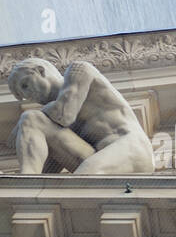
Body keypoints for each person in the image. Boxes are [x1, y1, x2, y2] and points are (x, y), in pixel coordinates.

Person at [7, 58, 154, 175]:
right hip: (95, 156)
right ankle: (28, 181)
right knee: (31, 120)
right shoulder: (49, 117)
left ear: (40, 71)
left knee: (82, 182)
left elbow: (64, 114)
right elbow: (51, 165)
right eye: (22, 95)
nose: (28, 96)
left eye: (25, 85)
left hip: (130, 149)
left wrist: (22, 125)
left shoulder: (79, 70)